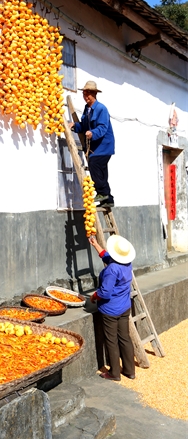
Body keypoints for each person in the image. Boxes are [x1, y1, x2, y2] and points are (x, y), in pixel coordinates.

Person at [89, 234, 136, 381]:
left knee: (111, 340)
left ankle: (114, 373)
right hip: (124, 307)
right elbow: (107, 256)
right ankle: (130, 371)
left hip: (110, 310)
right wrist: (95, 244)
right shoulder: (127, 264)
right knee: (125, 338)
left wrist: (94, 296)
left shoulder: (112, 269)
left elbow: (105, 292)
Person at [69, 80, 115, 208]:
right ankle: (108, 199)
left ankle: (102, 193)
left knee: (94, 163)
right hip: (95, 147)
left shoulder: (101, 109)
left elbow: (103, 127)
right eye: (84, 94)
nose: (86, 97)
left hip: (104, 146)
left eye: (88, 94)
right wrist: (74, 126)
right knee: (102, 172)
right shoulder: (87, 109)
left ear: (95, 94)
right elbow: (84, 126)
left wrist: (92, 133)